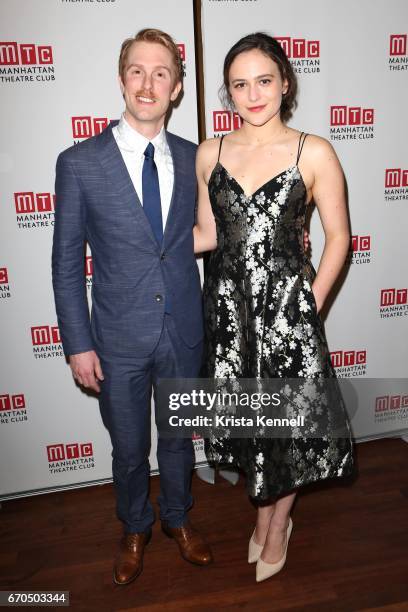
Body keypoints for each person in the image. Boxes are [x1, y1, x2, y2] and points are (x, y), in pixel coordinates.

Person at [52, 28, 212, 586]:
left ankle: (177, 518)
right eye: (138, 71)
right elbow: (67, 263)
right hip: (116, 338)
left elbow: (215, 232)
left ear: (176, 88)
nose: (149, 83)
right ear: (123, 79)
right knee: (128, 446)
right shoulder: (78, 163)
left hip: (183, 332)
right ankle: (135, 526)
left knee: (177, 440)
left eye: (162, 73)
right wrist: (78, 343)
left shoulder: (197, 158)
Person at [194, 32, 354, 582]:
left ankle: (275, 525)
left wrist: (308, 303)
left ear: (285, 83)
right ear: (228, 93)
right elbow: (207, 233)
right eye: (240, 84)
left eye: (264, 80)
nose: (253, 94)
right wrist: (133, 241)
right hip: (231, 315)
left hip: (288, 313)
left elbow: (339, 237)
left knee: (284, 427)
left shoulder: (315, 151)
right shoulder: (209, 152)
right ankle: (266, 520)